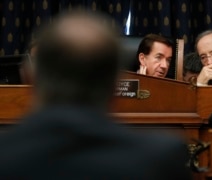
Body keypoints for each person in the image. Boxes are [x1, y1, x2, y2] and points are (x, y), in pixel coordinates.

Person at [0, 10, 192, 179]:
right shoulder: (162, 158)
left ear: (30, 78)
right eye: (159, 58)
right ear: (114, 85)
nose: (165, 65)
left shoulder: (6, 155)